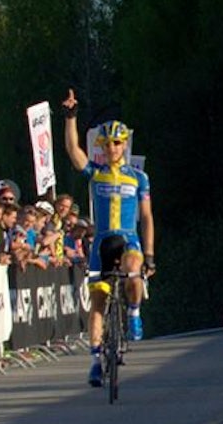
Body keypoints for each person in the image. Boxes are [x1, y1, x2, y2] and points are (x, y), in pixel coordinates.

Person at [63, 89, 155, 388]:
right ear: (102, 146)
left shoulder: (138, 177)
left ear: (124, 145)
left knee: (132, 269)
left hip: (129, 239)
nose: (114, 148)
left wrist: (150, 254)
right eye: (109, 144)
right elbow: (74, 151)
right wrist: (70, 117)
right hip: (102, 241)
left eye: (118, 143)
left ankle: (134, 312)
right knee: (98, 303)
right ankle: (94, 361)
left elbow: (147, 217)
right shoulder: (96, 172)